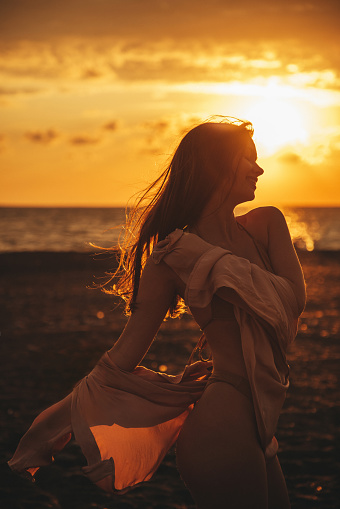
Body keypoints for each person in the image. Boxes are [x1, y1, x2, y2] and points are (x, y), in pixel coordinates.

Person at [8, 118, 306, 509]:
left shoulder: (267, 225)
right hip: (222, 423)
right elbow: (122, 359)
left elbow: (292, 301)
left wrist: (215, 262)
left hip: (262, 423)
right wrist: (52, 426)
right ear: (217, 164)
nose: (260, 168)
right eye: (248, 159)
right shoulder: (172, 257)